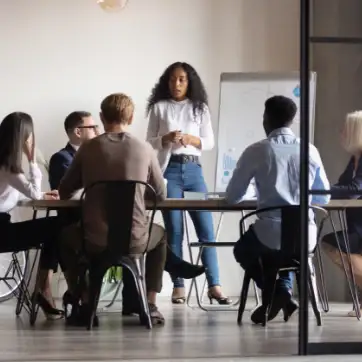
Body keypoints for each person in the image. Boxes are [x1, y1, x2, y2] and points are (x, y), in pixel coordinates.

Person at [58, 93, 203, 326]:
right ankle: (149, 303)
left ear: (102, 117)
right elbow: (161, 195)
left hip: (94, 239)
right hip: (135, 238)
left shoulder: (87, 149)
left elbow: (65, 191)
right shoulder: (145, 149)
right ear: (132, 117)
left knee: (64, 237)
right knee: (160, 236)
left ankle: (84, 301)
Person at [226, 96, 330, 324]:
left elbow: (232, 196)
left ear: (266, 119)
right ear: (291, 121)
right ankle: (281, 291)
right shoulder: (310, 150)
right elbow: (323, 196)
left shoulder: (256, 151)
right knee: (286, 251)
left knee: (243, 250)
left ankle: (277, 292)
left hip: (270, 235)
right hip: (305, 236)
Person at [146, 62, 230, 305]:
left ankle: (214, 285)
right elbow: (149, 141)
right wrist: (165, 138)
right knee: (174, 229)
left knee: (206, 229)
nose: (177, 84)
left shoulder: (199, 108)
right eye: (172, 80)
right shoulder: (159, 108)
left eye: (182, 79)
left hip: (194, 172)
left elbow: (210, 142)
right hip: (169, 171)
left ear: (189, 81)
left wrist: (192, 139)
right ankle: (178, 286)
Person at [0, 112, 64, 319]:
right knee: (58, 226)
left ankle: (42, 289)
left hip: (3, 227)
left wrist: (41, 194)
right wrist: (32, 160)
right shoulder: (10, 167)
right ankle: (43, 289)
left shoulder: (5, 164)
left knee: (54, 229)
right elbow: (33, 193)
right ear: (24, 137)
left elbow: (9, 196)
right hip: (2, 233)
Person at [322, 111, 362, 317]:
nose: (341, 132)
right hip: (356, 223)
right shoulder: (354, 158)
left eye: (345, 128)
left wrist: (321, 190)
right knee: (341, 247)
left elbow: (355, 189)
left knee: (333, 243)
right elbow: (344, 185)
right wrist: (323, 188)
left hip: (359, 226)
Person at [49, 111, 99, 191]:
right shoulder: (61, 158)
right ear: (78, 132)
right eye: (92, 127)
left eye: (96, 127)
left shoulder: (97, 156)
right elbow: (71, 191)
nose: (97, 132)